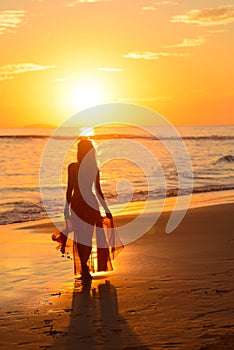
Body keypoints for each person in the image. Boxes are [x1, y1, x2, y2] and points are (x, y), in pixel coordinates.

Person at [64, 139, 113, 280]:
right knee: (87, 237)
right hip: (90, 203)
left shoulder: (73, 167)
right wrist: (106, 209)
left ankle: (84, 267)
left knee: (81, 237)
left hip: (78, 203)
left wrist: (66, 208)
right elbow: (98, 192)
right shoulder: (93, 168)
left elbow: (70, 190)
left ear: (79, 151)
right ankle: (85, 267)